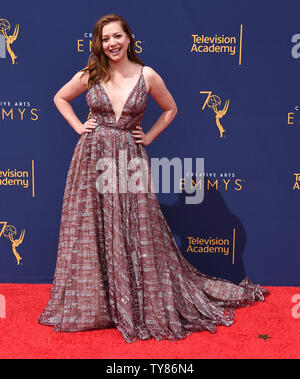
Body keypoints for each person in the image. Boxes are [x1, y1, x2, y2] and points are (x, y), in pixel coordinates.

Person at [38, 13, 269, 343]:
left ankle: (133, 300)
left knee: (135, 227)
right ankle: (99, 304)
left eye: (117, 36)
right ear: (99, 44)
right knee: (92, 228)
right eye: (105, 39)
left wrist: (149, 137)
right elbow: (60, 97)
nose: (112, 43)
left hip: (130, 161)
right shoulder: (90, 74)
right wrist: (79, 127)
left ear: (129, 38)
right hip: (91, 159)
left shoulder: (147, 75)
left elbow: (171, 109)